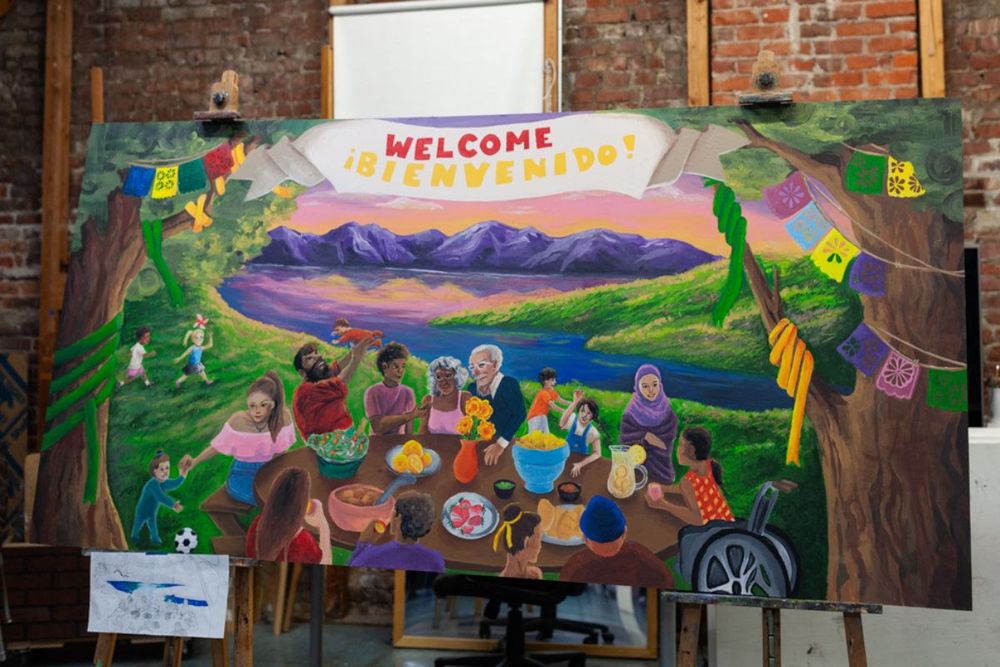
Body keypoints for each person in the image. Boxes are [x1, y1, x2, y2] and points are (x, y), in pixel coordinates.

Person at [560, 495, 673, 588]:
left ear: (585, 539)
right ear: (624, 532)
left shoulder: (575, 567)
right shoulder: (639, 554)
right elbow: (666, 580)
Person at [645, 427, 735, 526]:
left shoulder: (689, 481)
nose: (677, 449)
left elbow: (698, 519)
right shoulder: (708, 465)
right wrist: (664, 488)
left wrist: (663, 504)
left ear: (692, 450)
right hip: (727, 525)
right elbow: (686, 489)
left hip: (712, 532)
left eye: (680, 445)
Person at [246, 467, 332, 564]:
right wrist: (323, 526)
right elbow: (325, 563)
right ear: (302, 502)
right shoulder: (303, 541)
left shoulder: (258, 523)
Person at [348, 491, 445, 573]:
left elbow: (350, 574)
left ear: (398, 518)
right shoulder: (435, 560)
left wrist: (363, 543)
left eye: (393, 513)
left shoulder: (372, 556)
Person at [292, 338, 370, 439]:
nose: (317, 357)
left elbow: (334, 369)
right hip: (326, 443)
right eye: (309, 358)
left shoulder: (318, 378)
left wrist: (353, 352)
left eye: (316, 353)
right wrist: (356, 359)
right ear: (302, 373)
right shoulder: (307, 390)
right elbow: (340, 381)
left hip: (342, 437)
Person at [466, 344, 527, 466]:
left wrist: (501, 444)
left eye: (481, 365)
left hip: (504, 445)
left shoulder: (508, 384)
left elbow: (520, 414)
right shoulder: (472, 388)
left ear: (495, 364)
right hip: (480, 445)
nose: (475, 372)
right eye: (472, 367)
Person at [618, 364, 678, 484]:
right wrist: (644, 436)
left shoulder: (667, 410)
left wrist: (650, 442)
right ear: (637, 387)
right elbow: (624, 439)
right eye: (645, 386)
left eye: (655, 385)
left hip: (662, 469)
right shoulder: (631, 412)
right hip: (636, 469)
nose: (651, 390)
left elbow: (667, 441)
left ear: (660, 384)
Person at [364, 342, 425, 435]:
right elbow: (377, 427)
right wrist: (410, 416)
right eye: (395, 366)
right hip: (378, 442)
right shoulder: (373, 392)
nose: (400, 371)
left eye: (403, 366)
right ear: (384, 367)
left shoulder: (408, 392)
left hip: (399, 442)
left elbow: (409, 430)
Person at [131, 450, 184, 545]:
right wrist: (173, 505)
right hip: (142, 510)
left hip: (152, 511)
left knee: (152, 526)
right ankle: (134, 537)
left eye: (167, 468)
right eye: (162, 469)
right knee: (137, 525)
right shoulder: (152, 484)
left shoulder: (163, 482)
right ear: (155, 471)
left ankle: (155, 539)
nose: (165, 472)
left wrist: (182, 475)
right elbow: (161, 497)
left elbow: (174, 483)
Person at [418, 356, 471, 435]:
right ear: (434, 380)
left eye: (448, 376)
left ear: (457, 377)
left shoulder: (465, 398)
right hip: (433, 446)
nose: (443, 382)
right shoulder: (428, 400)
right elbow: (422, 434)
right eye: (438, 377)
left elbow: (474, 434)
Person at [492, 503, 543, 580]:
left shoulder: (533, 574)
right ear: (526, 542)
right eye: (538, 540)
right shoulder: (535, 574)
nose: (540, 546)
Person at [559, 390, 602, 478]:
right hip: (564, 460)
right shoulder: (572, 419)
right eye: (582, 411)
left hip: (579, 466)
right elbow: (561, 423)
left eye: (588, 413)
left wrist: (580, 464)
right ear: (578, 411)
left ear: (592, 416)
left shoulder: (593, 432)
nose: (584, 415)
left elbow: (597, 453)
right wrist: (575, 402)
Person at [526, 368, 571, 433]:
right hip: (535, 417)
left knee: (545, 435)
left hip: (542, 416)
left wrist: (574, 403)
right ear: (545, 381)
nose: (555, 382)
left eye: (555, 380)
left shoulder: (551, 391)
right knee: (534, 436)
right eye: (552, 380)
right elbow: (552, 405)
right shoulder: (543, 392)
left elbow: (561, 401)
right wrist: (563, 411)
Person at [174, 320, 214, 388]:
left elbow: (210, 345)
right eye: (196, 338)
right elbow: (185, 354)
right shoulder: (192, 348)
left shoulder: (201, 347)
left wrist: (210, 337)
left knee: (202, 372)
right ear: (193, 340)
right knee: (186, 375)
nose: (199, 340)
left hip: (197, 364)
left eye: (201, 338)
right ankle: (178, 381)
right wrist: (179, 358)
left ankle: (207, 381)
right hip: (191, 365)